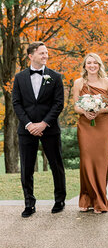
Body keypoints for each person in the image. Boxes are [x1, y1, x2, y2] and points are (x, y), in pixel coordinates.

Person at [12, 42, 67, 218]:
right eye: (42, 53)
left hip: (49, 129)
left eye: (46, 53)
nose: (45, 56)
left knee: (56, 165)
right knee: (26, 168)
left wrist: (44, 123)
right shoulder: (19, 78)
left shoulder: (55, 77)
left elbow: (58, 103)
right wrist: (29, 124)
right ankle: (29, 203)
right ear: (31, 56)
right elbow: (16, 103)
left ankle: (59, 200)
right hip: (26, 130)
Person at [72, 53, 108, 213]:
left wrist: (98, 110)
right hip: (85, 125)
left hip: (103, 125)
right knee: (86, 161)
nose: (92, 65)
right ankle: (86, 199)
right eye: (89, 63)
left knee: (101, 161)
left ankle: (99, 201)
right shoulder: (78, 83)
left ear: (99, 65)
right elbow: (76, 106)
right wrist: (85, 112)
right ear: (84, 66)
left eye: (95, 63)